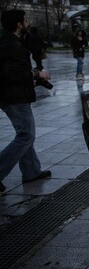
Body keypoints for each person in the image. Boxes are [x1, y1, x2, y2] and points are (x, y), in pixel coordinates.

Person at [0, 10, 52, 193]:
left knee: (24, 133)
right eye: (25, 20)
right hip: (15, 97)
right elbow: (12, 74)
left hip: (12, 96)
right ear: (18, 24)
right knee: (26, 135)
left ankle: (31, 171)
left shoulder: (9, 41)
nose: (28, 22)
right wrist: (37, 73)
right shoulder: (12, 46)